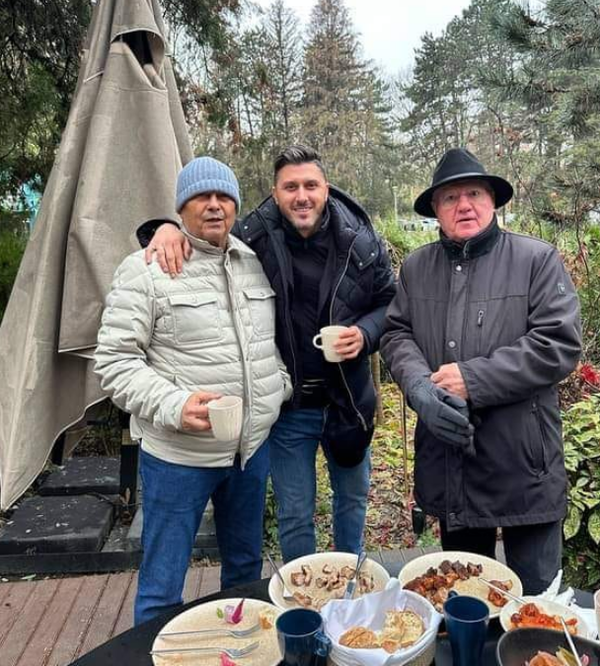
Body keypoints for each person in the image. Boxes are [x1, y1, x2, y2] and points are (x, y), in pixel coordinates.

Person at [140, 145, 396, 562]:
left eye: (310, 185)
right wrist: (165, 229)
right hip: (289, 406)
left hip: (349, 400)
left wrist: (365, 334)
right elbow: (206, 241)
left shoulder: (360, 242)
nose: (302, 196)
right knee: (295, 514)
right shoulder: (252, 237)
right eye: (290, 187)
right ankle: (301, 593)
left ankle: (352, 583)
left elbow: (392, 303)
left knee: (352, 502)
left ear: (326, 189)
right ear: (275, 194)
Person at [95, 157, 291, 624]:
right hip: (178, 459)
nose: (214, 205)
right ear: (181, 208)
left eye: (224, 197)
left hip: (248, 453)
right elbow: (115, 361)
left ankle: (238, 648)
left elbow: (267, 342)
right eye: (202, 196)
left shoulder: (253, 264)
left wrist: (278, 387)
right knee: (163, 583)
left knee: (244, 573)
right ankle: (150, 650)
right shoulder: (146, 269)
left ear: (236, 206)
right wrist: (175, 404)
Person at [380, 148, 582, 594]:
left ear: (492, 200)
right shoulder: (417, 268)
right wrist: (419, 387)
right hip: (453, 462)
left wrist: (472, 380)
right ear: (436, 209)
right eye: (450, 198)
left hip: (524, 466)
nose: (464, 205)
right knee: (463, 599)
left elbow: (558, 343)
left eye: (474, 193)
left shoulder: (536, 259)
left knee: (535, 603)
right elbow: (396, 334)